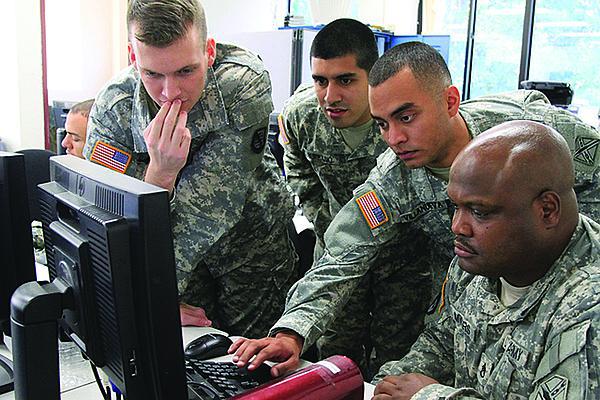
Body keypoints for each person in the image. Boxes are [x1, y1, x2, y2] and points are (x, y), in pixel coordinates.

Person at [229, 41, 600, 378]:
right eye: (382, 124)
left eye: (406, 117)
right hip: (470, 281)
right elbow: (344, 249)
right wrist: (293, 330)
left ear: (450, 102)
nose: (394, 139)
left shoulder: (531, 130)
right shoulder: (396, 177)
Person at [83, 0, 297, 338]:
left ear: (209, 51)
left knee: (255, 370)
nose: (171, 93)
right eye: (152, 74)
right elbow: (106, 218)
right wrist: (159, 177)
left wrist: (147, 295)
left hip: (251, 253)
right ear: (132, 56)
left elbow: (208, 210)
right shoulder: (114, 110)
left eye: (186, 71)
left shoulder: (240, 85)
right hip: (171, 265)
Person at [372, 121, 600, 399]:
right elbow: (444, 342)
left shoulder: (589, 307)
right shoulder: (479, 256)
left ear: (547, 210)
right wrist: (388, 386)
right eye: (456, 207)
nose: (458, 227)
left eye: (479, 212)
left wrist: (428, 396)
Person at [280, 18, 428, 377]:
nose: (330, 96)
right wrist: (326, 221)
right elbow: (298, 170)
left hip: (403, 260)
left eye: (345, 80)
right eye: (320, 80)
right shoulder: (302, 116)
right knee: (335, 356)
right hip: (338, 253)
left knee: (395, 358)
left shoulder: (402, 124)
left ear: (372, 76)